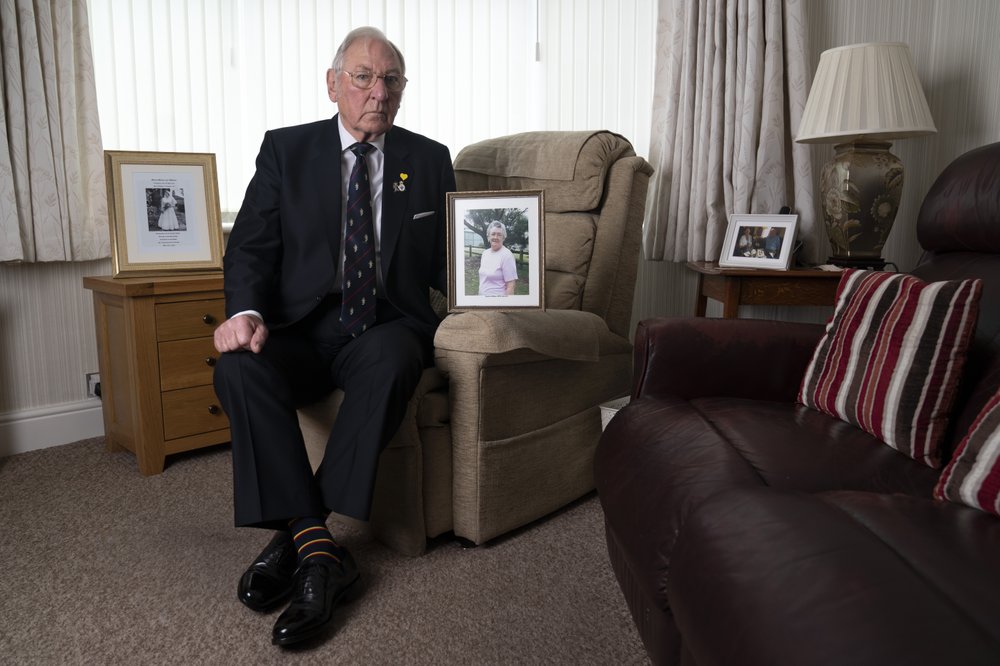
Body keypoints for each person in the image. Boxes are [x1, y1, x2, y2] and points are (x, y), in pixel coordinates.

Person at [211, 26, 456, 648]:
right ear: (333, 85)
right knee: (237, 367)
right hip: (301, 328)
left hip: (381, 325)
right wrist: (245, 312)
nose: (379, 91)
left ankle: (300, 539)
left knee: (398, 353)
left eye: (391, 79)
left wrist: (498, 280)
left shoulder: (426, 161)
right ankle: (322, 553)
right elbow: (250, 248)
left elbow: (452, 264)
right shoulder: (286, 151)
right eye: (364, 77)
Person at [477, 220, 517, 296]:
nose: (495, 237)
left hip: (497, 302)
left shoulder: (507, 255)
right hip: (481, 300)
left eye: (499, 235)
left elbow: (511, 285)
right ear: (488, 237)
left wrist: (506, 305)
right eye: (493, 234)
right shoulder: (485, 253)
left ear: (503, 238)